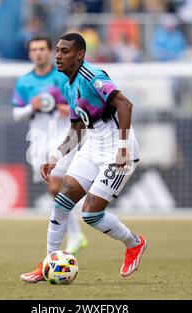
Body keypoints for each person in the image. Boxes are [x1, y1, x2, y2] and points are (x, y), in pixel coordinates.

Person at [20, 33, 147, 283]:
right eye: (57, 50)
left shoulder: (92, 76)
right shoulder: (69, 86)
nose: (58, 55)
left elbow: (125, 105)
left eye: (64, 51)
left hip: (118, 151)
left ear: (79, 55)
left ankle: (134, 243)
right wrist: (56, 156)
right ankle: (49, 263)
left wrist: (122, 148)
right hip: (92, 147)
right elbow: (77, 129)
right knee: (61, 201)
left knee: (91, 215)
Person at [12, 37, 88, 279]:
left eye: (42, 49)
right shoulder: (24, 82)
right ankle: (75, 232)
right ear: (30, 53)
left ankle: (73, 235)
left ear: (50, 52)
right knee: (53, 189)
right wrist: (30, 107)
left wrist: (68, 107)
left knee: (57, 184)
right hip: (36, 140)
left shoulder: (62, 75)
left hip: (61, 137)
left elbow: (80, 102)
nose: (38, 53)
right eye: (33, 49)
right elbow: (16, 114)